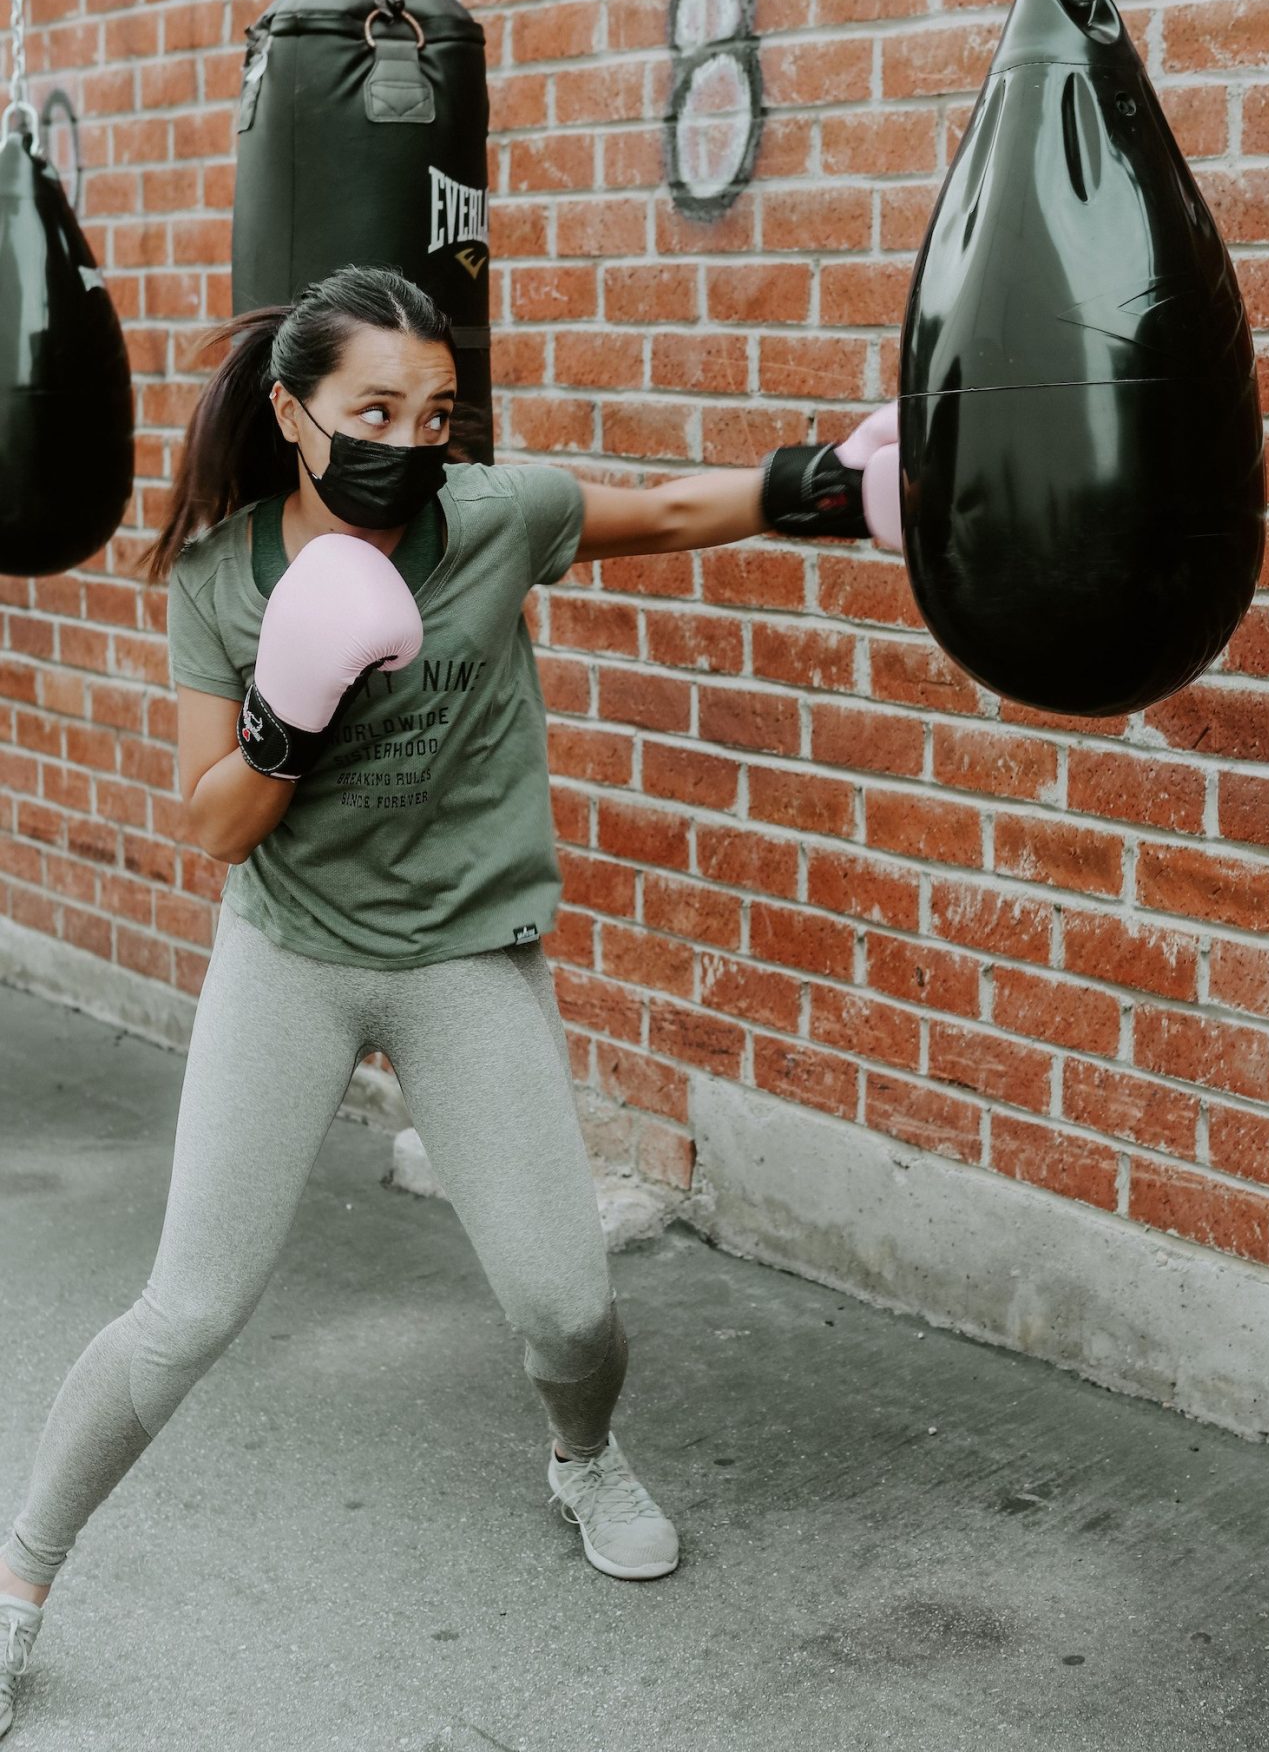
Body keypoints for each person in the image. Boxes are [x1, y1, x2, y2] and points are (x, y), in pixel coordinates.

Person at [0, 263, 901, 1736]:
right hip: (290, 958)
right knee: (188, 1308)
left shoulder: (491, 521)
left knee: (568, 1309)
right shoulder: (218, 579)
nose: (408, 442)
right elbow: (215, 826)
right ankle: (18, 1587)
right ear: (292, 413)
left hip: (466, 957)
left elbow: (666, 514)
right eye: (372, 411)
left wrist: (823, 485)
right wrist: (289, 711)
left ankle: (581, 1457)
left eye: (433, 415)